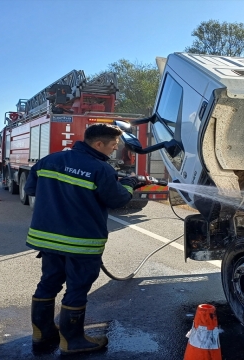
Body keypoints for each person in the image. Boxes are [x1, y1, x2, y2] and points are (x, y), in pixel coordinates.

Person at [24, 124, 140, 354]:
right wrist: (128, 185)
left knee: (48, 283)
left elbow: (31, 189)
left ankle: (42, 333)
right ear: (99, 144)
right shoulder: (100, 169)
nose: (114, 150)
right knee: (77, 288)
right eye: (113, 146)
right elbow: (117, 200)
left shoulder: (49, 160)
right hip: (80, 242)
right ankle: (73, 340)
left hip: (47, 239)